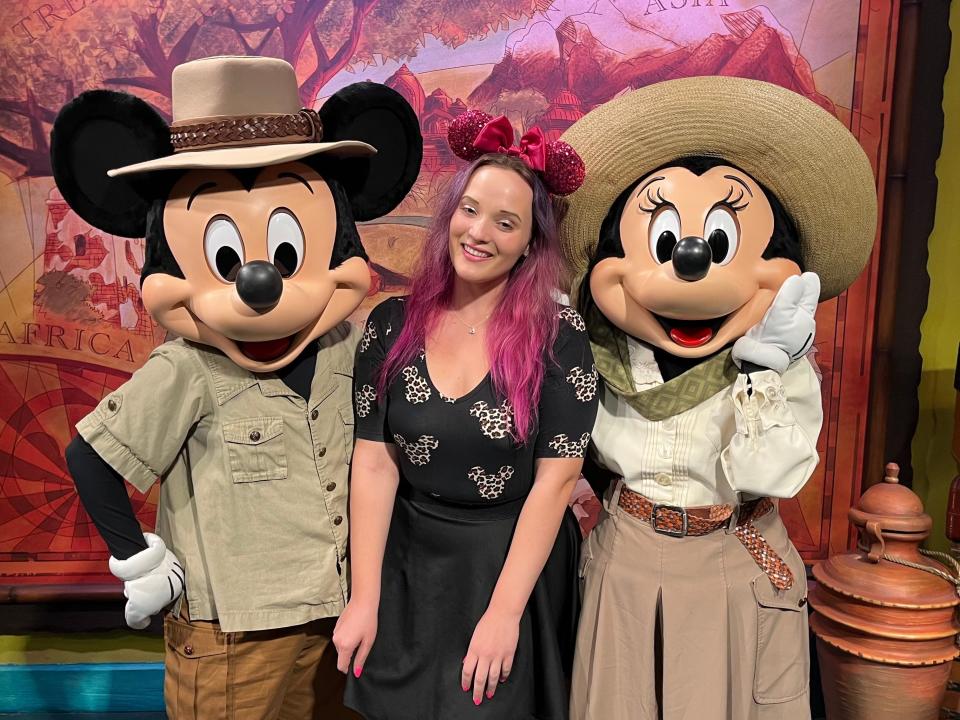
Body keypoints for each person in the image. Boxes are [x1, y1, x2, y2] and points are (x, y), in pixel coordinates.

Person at [53, 55, 422, 719]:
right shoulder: (187, 368)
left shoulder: (348, 346)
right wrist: (138, 561)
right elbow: (91, 456)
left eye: (286, 252)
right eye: (227, 258)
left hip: (342, 622)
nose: (260, 284)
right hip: (234, 637)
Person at [558, 76, 877, 719]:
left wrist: (763, 373)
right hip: (625, 553)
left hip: (732, 552)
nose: (694, 260)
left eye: (721, 241)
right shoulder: (597, 352)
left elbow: (771, 475)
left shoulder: (777, 369)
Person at [335, 112, 598, 720]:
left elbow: (555, 482)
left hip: (507, 563)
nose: (479, 232)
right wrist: (364, 597)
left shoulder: (559, 337)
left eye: (506, 222)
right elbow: (374, 465)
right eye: (470, 210)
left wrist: (505, 615)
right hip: (408, 561)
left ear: (531, 241)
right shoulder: (389, 324)